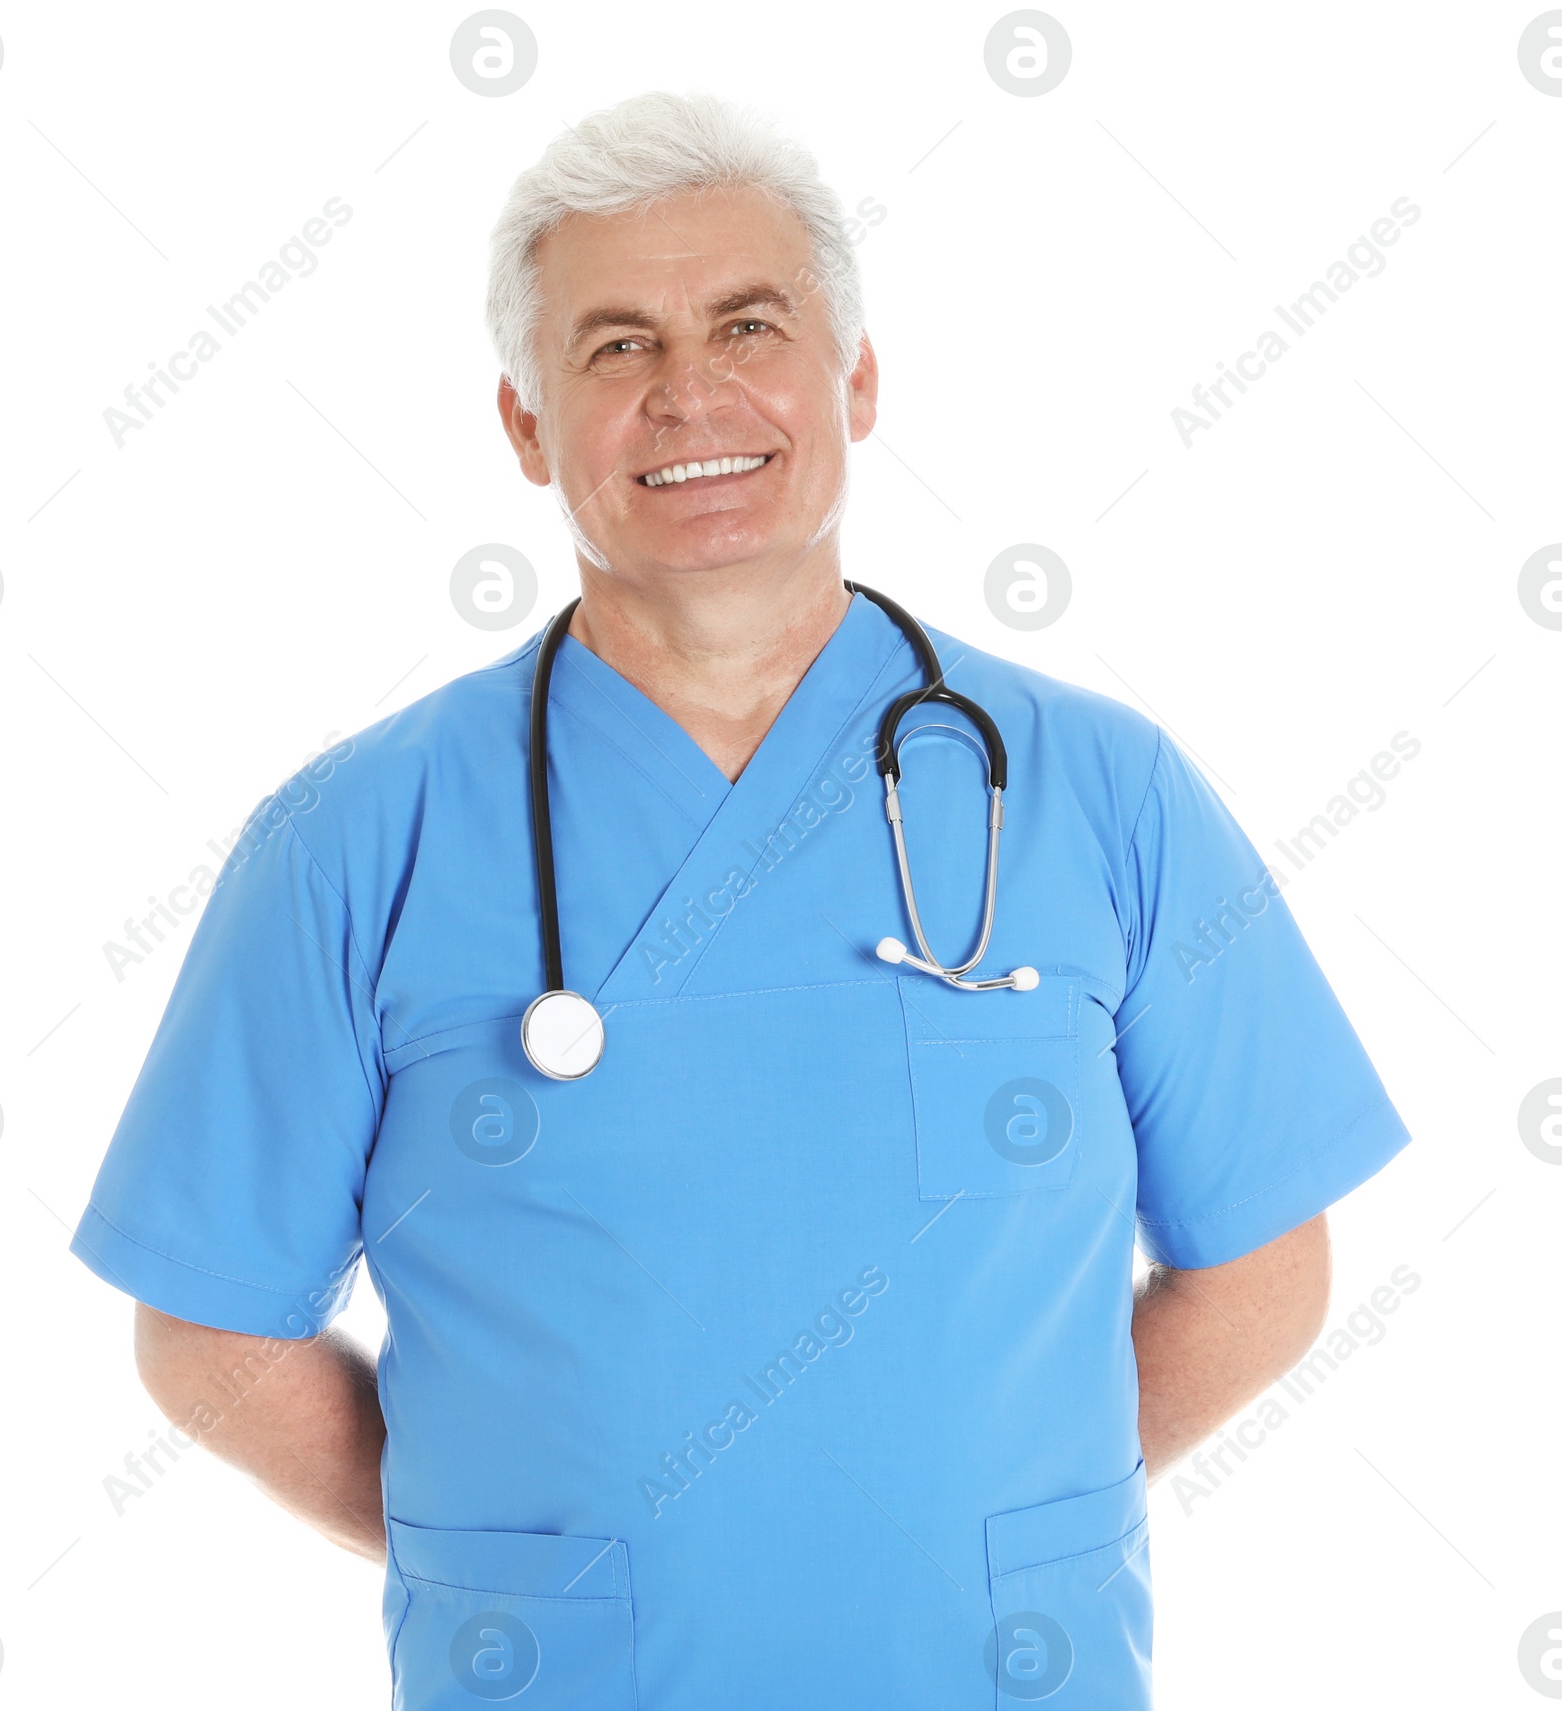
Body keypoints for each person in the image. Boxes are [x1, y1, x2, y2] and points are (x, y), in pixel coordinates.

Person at [70, 89, 1412, 1709]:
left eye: (747, 324)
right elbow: (208, 1330)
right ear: (523, 425)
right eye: (615, 346)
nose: (688, 393)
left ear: (854, 378)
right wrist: (489, 1545)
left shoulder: (1095, 790)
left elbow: (1266, 1264)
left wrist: (1021, 1511)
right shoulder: (358, 835)